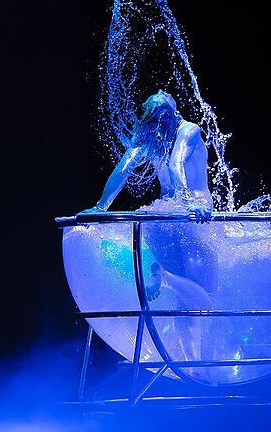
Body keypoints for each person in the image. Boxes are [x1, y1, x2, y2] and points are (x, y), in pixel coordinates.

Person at [83, 90, 216, 311]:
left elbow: (123, 169)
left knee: (182, 302)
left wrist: (101, 206)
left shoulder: (154, 136)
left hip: (159, 217)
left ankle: (166, 281)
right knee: (207, 299)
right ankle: (164, 278)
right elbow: (176, 165)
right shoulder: (188, 130)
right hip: (192, 216)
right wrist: (189, 204)